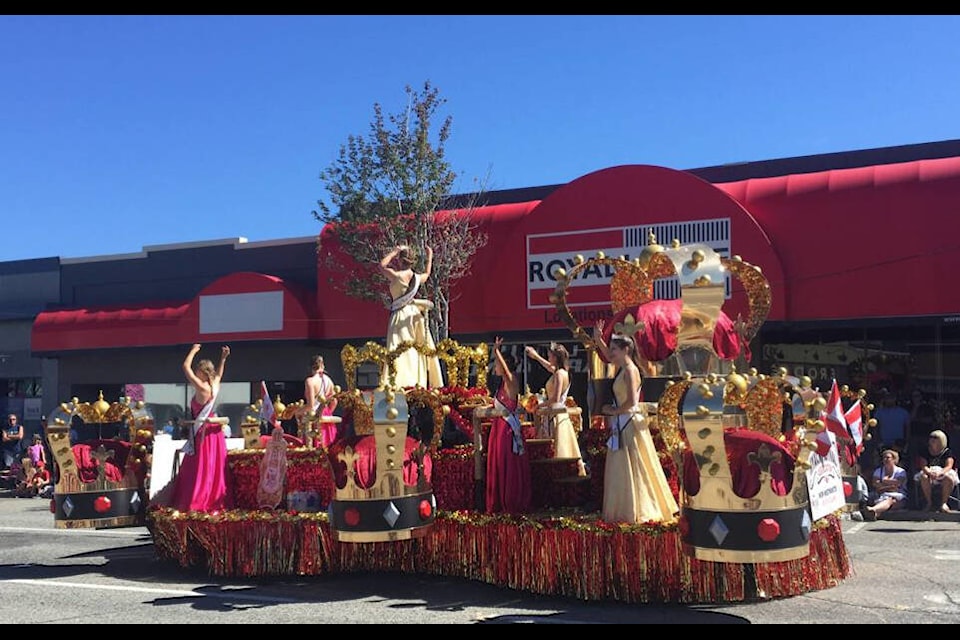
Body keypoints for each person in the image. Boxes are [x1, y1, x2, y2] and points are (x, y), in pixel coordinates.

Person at [593, 319, 679, 524]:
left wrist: (612, 410)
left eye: (614, 349)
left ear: (626, 350)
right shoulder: (623, 367)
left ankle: (637, 509)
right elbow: (606, 355)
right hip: (622, 424)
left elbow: (632, 401)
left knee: (635, 467)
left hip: (629, 424)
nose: (611, 353)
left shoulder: (631, 370)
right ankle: (623, 510)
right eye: (611, 349)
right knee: (622, 468)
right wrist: (598, 339)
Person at [170, 343, 234, 513]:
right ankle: (214, 498)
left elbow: (185, 367)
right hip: (214, 431)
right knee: (213, 466)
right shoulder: (215, 385)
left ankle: (199, 499)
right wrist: (223, 359)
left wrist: (193, 350)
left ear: (203, 373)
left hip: (203, 433)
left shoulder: (202, 386)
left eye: (198, 371)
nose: (196, 374)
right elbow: (219, 374)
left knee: (199, 466)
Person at [378, 244, 443, 390]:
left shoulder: (396, 276)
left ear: (400, 261)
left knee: (397, 349)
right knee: (417, 349)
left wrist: (394, 251)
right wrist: (430, 256)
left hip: (400, 315)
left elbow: (381, 266)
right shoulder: (416, 277)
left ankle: (396, 383)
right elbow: (427, 274)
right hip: (414, 314)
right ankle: (419, 381)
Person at [485, 336, 532, 514]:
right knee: (498, 464)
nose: (495, 368)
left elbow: (503, 369)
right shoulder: (503, 384)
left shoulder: (511, 380)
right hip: (499, 429)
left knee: (507, 464)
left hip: (507, 431)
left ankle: (510, 500)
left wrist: (496, 350)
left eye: (497, 365)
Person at [525, 342, 586, 476]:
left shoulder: (559, 374)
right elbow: (548, 366)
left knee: (557, 449)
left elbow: (555, 399)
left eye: (550, 355)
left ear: (555, 357)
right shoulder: (562, 372)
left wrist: (539, 405)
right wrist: (535, 356)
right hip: (556, 415)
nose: (548, 357)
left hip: (556, 415)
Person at [914, 429, 958, 513]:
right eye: (931, 437)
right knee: (924, 476)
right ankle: (929, 503)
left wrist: (940, 473)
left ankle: (944, 503)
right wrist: (930, 473)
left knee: (948, 478)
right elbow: (923, 465)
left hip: (943, 472)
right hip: (929, 471)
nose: (932, 439)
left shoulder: (947, 452)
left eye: (935, 438)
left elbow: (949, 466)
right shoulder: (924, 450)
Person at [860, 449, 908, 521]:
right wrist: (890, 485)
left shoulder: (900, 471)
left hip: (899, 497)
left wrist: (884, 481)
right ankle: (875, 513)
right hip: (882, 495)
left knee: (890, 500)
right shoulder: (878, 471)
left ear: (894, 459)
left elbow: (898, 483)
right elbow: (875, 484)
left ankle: (873, 509)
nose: (885, 459)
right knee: (887, 500)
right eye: (884, 458)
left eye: (888, 457)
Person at [304, 354, 339, 448]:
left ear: (310, 367)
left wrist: (297, 411)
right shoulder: (329, 380)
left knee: (314, 447)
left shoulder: (310, 381)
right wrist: (327, 412)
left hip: (314, 417)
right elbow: (334, 401)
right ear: (323, 365)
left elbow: (310, 405)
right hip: (326, 415)